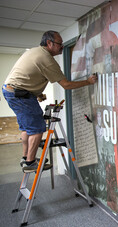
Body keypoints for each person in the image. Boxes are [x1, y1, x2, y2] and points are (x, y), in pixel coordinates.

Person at [2, 30, 97, 173]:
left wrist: (36, 93)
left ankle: (26, 158)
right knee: (37, 128)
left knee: (26, 128)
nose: (62, 47)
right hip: (20, 94)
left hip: (12, 91)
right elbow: (66, 85)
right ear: (49, 43)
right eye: (59, 44)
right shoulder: (46, 59)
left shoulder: (34, 52)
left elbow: (28, 76)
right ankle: (30, 163)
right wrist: (88, 82)